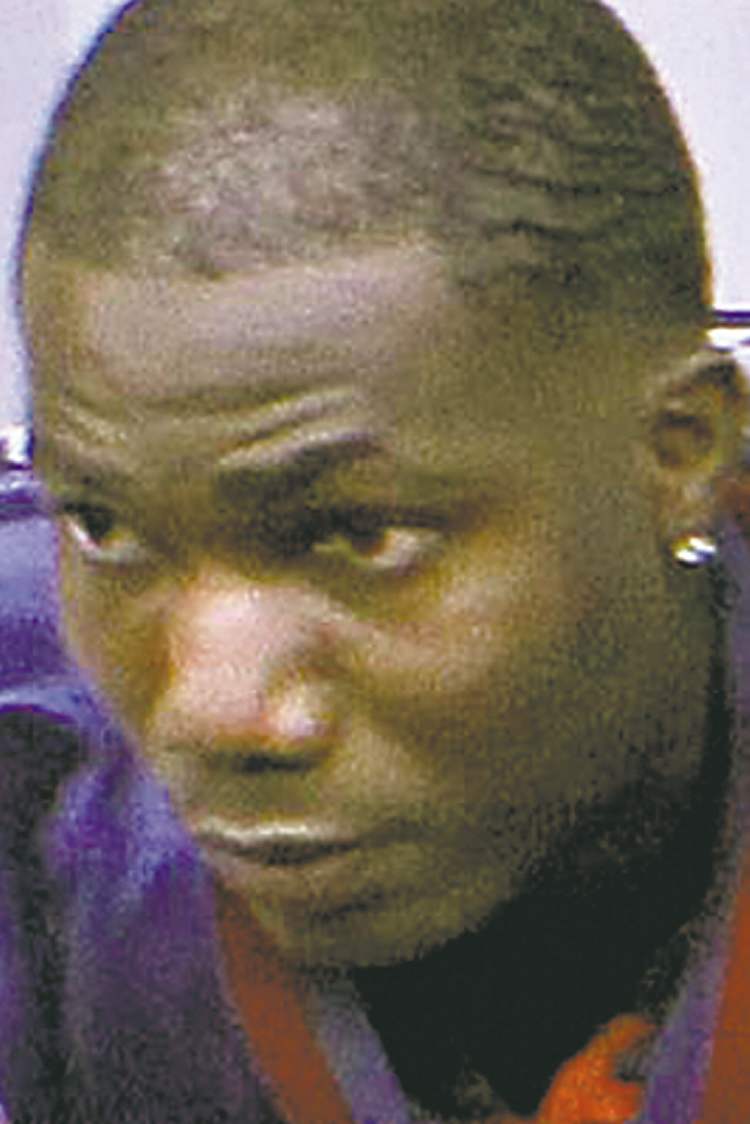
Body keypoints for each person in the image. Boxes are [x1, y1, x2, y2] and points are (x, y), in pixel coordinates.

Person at [2, 0, 749, 1119]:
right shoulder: (47, 803)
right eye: (105, 527)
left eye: (360, 534)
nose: (212, 711)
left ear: (679, 452)